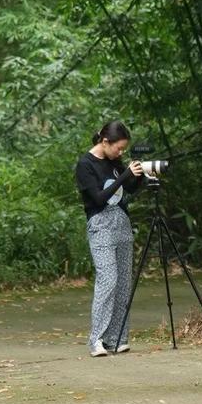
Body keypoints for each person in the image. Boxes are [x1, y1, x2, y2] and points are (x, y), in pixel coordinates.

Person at [75, 120, 144, 357]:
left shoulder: (115, 162)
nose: (121, 152)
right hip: (100, 225)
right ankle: (97, 340)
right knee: (108, 280)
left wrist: (141, 175)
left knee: (124, 282)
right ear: (105, 141)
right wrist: (125, 175)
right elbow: (98, 198)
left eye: (124, 149)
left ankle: (117, 338)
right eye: (118, 148)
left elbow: (130, 190)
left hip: (122, 224)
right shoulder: (85, 164)